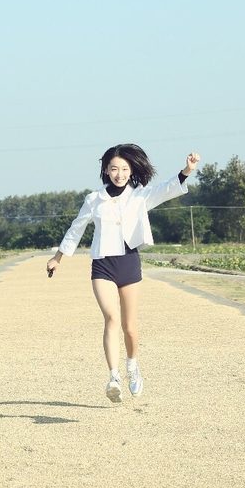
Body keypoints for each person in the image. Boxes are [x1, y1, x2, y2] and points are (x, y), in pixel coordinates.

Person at [47, 144, 201, 403]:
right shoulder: (93, 199)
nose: (119, 173)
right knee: (111, 319)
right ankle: (114, 376)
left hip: (129, 262)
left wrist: (187, 170)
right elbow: (77, 228)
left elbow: (165, 190)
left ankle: (132, 367)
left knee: (129, 327)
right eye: (114, 168)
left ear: (131, 171)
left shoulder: (140, 195)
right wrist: (58, 257)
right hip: (102, 264)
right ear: (106, 170)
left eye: (124, 169)